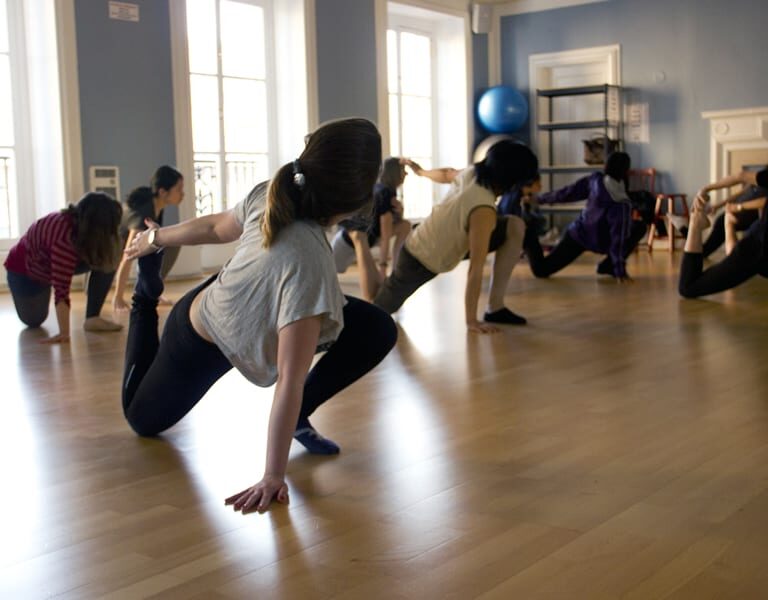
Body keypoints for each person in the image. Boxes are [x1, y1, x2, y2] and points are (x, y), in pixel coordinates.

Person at [121, 118, 397, 514]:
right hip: (203, 337)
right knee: (141, 420)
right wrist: (272, 474)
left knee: (376, 328)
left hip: (244, 299)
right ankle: (145, 297)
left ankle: (299, 418)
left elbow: (216, 228)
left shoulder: (276, 192)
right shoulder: (309, 268)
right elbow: (289, 380)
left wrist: (158, 236)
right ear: (356, 200)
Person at [350, 140, 539, 333]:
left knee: (514, 225)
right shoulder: (483, 211)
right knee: (377, 310)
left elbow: (447, 174)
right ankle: (359, 243)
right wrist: (471, 321)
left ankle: (495, 308)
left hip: (438, 243)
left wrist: (421, 172)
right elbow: (475, 268)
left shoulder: (472, 173)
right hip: (419, 258)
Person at [4, 192, 123, 342]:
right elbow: (61, 289)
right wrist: (64, 333)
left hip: (48, 264)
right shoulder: (63, 238)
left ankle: (92, 318)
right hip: (25, 274)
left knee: (108, 255)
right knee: (34, 321)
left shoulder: (81, 228)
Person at [522, 152, 646, 282]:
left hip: (579, 234)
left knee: (541, 270)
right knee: (639, 226)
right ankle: (609, 266)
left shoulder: (595, 180)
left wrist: (538, 199)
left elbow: (566, 193)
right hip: (594, 238)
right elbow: (618, 241)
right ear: (626, 171)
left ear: (606, 166)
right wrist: (620, 271)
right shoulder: (621, 204)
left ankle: (527, 234)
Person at [678, 167, 768, 298]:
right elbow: (741, 177)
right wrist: (707, 191)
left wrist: (706, 189)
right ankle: (695, 223)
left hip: (757, 245)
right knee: (688, 287)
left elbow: (741, 176)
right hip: (758, 247)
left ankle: (699, 225)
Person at [112, 166, 185, 312]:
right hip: (110, 245)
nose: (183, 194)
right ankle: (147, 293)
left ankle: (153, 292)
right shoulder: (145, 210)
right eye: (179, 189)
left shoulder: (157, 206)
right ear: (163, 192)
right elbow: (128, 256)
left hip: (122, 243)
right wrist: (118, 297)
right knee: (158, 245)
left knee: (169, 243)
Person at [331, 157, 413, 278]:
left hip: (367, 239)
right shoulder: (384, 192)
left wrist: (400, 211)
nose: (406, 173)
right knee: (328, 271)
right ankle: (394, 272)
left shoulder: (387, 190)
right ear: (394, 172)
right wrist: (383, 267)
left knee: (405, 225)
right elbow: (385, 234)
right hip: (347, 242)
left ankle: (396, 270)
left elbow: (390, 225)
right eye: (403, 170)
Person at [670, 171, 768, 258]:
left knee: (721, 226)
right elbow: (739, 191)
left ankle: (684, 228)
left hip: (747, 214)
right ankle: (685, 229)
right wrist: (717, 205)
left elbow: (764, 201)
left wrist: (739, 207)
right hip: (735, 212)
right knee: (706, 247)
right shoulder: (759, 178)